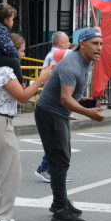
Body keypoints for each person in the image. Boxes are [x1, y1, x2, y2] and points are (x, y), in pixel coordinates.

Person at [0, 33, 52, 221]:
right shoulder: (3, 70)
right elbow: (22, 96)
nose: (22, 54)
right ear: (9, 49)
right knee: (11, 173)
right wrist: (42, 78)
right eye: (20, 50)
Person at [34, 28, 104, 221]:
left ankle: (60, 200)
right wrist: (88, 113)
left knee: (62, 157)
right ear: (82, 44)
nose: (99, 48)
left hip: (59, 113)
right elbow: (65, 99)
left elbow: (71, 93)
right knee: (59, 159)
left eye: (101, 44)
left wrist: (87, 101)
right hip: (50, 113)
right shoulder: (71, 65)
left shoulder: (85, 62)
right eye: (95, 43)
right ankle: (59, 208)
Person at [35, 31, 73, 183]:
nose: (70, 43)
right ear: (61, 43)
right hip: (54, 102)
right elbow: (80, 52)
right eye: (68, 41)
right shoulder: (59, 54)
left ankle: (53, 171)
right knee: (57, 141)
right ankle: (44, 169)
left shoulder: (52, 54)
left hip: (53, 100)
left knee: (58, 140)